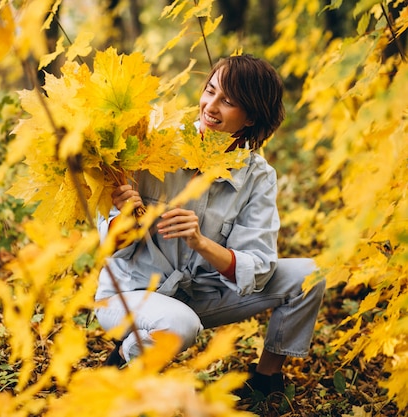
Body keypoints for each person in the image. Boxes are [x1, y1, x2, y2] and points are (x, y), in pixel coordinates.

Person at [94, 54, 326, 400]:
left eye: (228, 101)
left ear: (251, 117)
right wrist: (127, 217)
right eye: (210, 91)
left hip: (201, 295)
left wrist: (201, 242)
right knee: (180, 324)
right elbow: (110, 247)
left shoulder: (258, 177)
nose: (211, 106)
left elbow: (259, 266)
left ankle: (264, 382)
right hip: (129, 295)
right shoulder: (151, 147)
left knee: (309, 274)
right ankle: (126, 361)